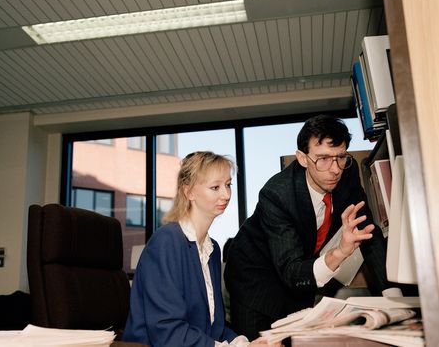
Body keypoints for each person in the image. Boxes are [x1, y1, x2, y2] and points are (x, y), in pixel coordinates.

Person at [224, 114, 401, 340]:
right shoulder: (277, 195)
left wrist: (392, 296)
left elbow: (365, 228)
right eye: (323, 158)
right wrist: (339, 254)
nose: (335, 169)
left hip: (300, 273)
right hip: (254, 279)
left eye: (340, 157)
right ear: (302, 158)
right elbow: (290, 271)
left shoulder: (347, 172)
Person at [123, 151, 279, 347]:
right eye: (215, 187)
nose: (226, 194)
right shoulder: (167, 241)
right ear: (189, 192)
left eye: (228, 185)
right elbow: (167, 332)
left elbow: (216, 330)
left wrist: (248, 344)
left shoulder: (212, 249)